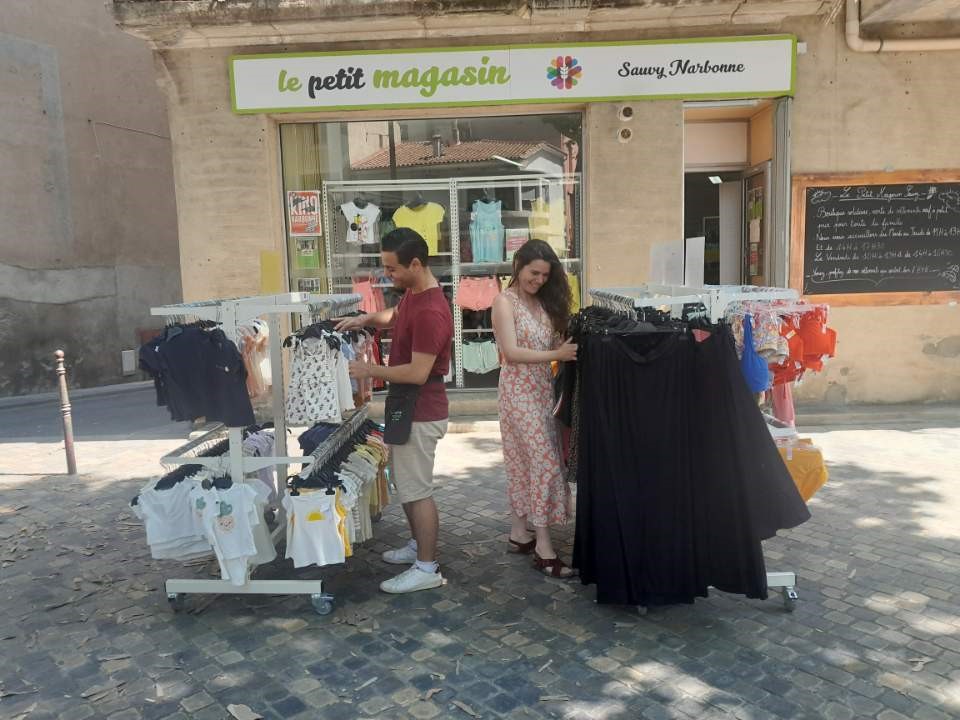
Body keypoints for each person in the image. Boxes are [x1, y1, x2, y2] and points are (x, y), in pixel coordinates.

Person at [337, 228, 453, 594]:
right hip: (408, 407)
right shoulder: (415, 295)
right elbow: (397, 315)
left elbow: (418, 372)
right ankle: (419, 547)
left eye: (392, 269)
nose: (388, 275)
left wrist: (370, 371)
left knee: (417, 490)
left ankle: (427, 566)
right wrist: (366, 320)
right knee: (406, 485)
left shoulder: (433, 310)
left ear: (416, 264)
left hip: (421, 408)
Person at [491, 239, 578, 578]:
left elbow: (547, 343)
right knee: (542, 462)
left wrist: (562, 347)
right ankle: (543, 546)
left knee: (526, 461)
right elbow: (511, 352)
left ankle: (519, 532)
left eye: (545, 275)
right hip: (517, 393)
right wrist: (557, 355)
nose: (539, 280)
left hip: (541, 391)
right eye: (534, 272)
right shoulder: (503, 302)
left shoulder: (540, 303)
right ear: (518, 265)